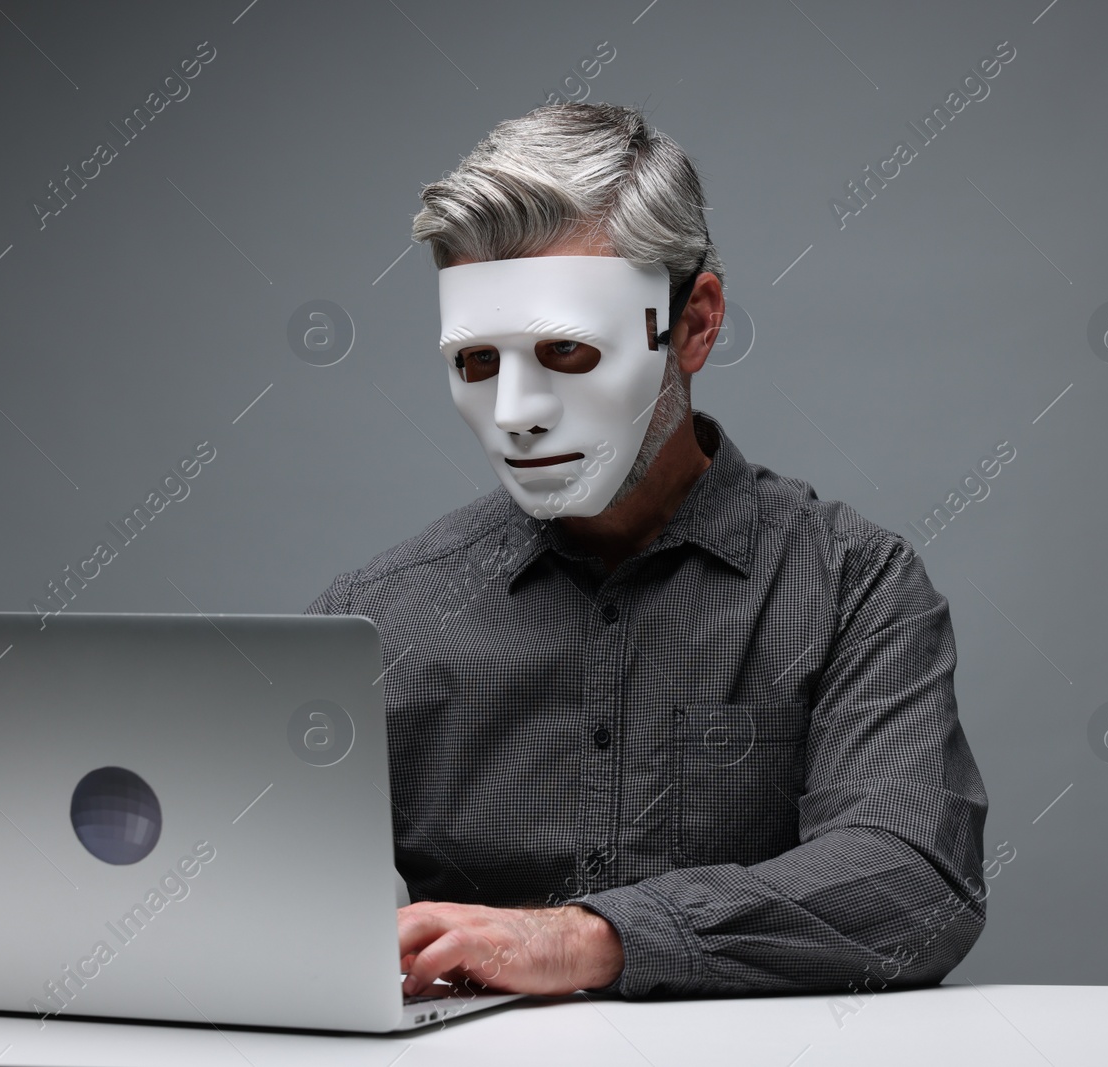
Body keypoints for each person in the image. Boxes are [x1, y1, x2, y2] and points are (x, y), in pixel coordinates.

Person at [304, 102, 988, 1001]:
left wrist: (592, 940)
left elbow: (911, 882)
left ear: (694, 325)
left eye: (566, 350)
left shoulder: (853, 587)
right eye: (477, 362)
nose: (516, 410)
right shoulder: (375, 623)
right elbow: (255, 904)